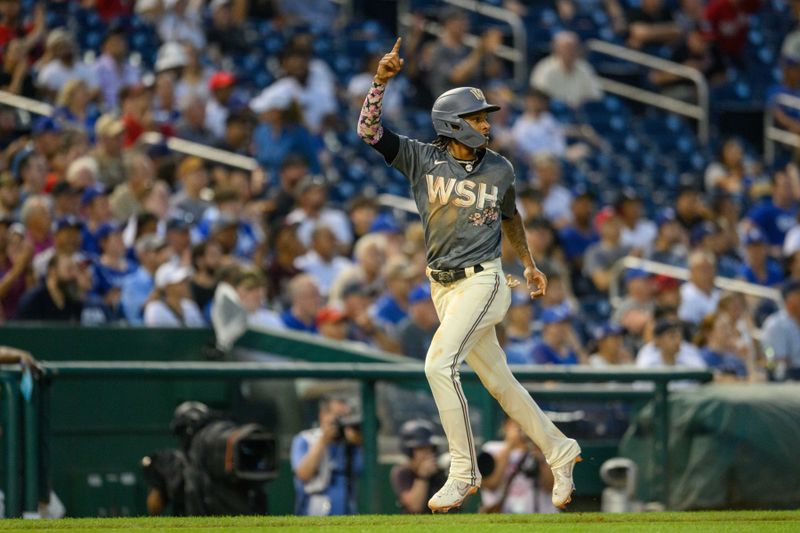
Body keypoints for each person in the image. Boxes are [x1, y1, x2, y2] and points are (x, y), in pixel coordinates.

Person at [357, 38, 581, 513]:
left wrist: (528, 263)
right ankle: (561, 452)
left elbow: (511, 217)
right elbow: (369, 132)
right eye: (479, 117)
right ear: (454, 123)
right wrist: (379, 82)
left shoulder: (500, 167)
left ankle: (463, 471)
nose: (486, 124)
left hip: (485, 280)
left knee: (438, 364)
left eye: (486, 116)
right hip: (443, 286)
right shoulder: (421, 158)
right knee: (501, 383)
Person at [291, 396, 362, 515]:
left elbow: (362, 471)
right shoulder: (306, 439)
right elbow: (303, 474)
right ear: (323, 415)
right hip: (313, 512)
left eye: (345, 418)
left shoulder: (350, 445)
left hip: (346, 512)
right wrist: (323, 440)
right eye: (338, 417)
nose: (341, 423)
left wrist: (359, 443)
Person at [479, 417, 556, 514]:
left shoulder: (545, 451)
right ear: (505, 426)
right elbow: (490, 484)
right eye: (517, 424)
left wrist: (539, 455)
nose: (522, 429)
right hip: (502, 516)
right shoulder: (491, 449)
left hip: (539, 516)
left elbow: (552, 487)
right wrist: (509, 446)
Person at [530, 31, 602, 108]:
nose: (571, 51)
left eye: (574, 47)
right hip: (552, 114)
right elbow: (538, 98)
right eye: (567, 48)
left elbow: (596, 95)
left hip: (580, 114)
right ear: (556, 49)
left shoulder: (585, 68)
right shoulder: (545, 69)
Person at [390, 419, 447, 514]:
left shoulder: (439, 470)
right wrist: (423, 476)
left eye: (430, 448)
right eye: (421, 449)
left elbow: (453, 506)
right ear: (408, 451)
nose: (427, 453)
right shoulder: (402, 472)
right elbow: (415, 507)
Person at [14, 253, 84, 322]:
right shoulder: (33, 299)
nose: (74, 274)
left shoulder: (73, 301)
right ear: (52, 271)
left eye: (75, 270)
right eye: (69, 269)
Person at [143, 262, 205, 328]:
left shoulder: (190, 306)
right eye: (180, 282)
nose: (185, 285)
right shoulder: (154, 309)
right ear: (167, 287)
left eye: (185, 281)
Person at [761, 280, 800, 381]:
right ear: (789, 299)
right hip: (784, 376)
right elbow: (779, 362)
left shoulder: (796, 320)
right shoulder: (776, 324)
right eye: (798, 294)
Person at [636, 318, 706, 370]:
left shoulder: (688, 350)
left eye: (679, 336)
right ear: (657, 340)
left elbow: (703, 373)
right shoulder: (648, 353)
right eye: (672, 336)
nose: (677, 341)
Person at [395, 283, 439, 361]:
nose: (434, 306)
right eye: (428, 303)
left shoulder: (447, 326)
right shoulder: (407, 331)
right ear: (414, 308)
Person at [678, 251, 721, 325]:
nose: (707, 273)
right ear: (692, 272)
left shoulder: (719, 294)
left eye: (709, 268)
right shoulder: (684, 294)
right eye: (702, 269)